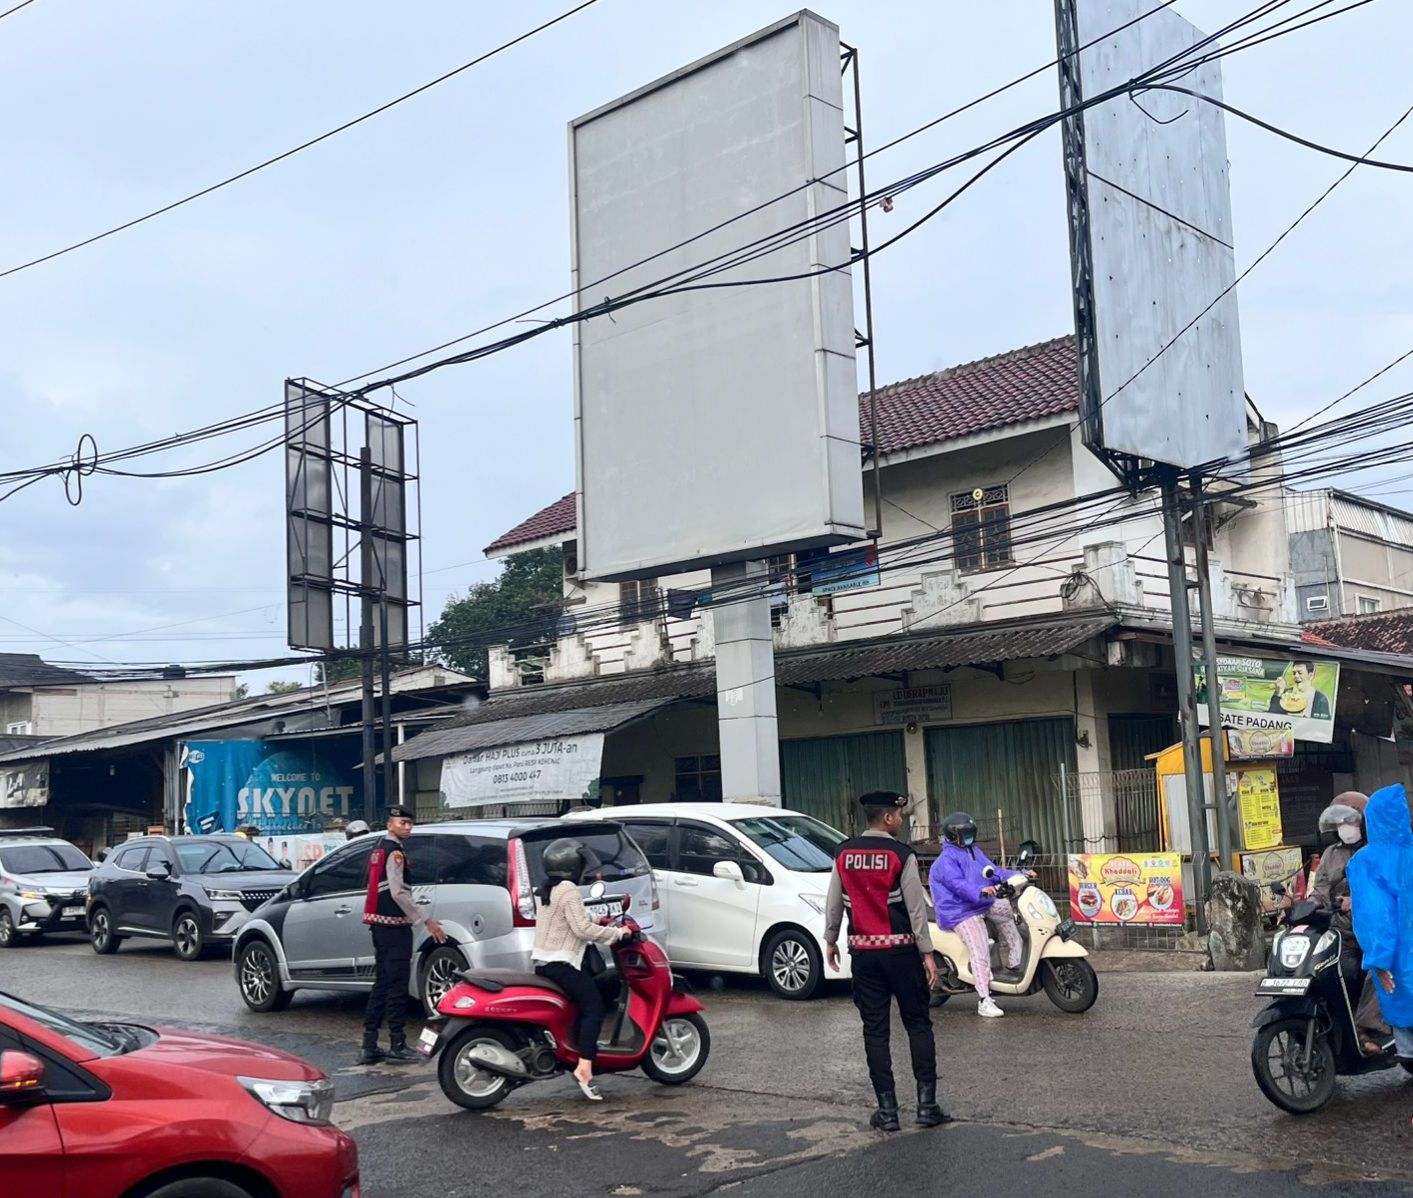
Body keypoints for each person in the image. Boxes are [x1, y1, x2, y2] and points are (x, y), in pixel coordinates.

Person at [824, 791, 948, 1132]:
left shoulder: (844, 852)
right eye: (899, 814)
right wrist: (928, 953)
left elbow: (834, 901)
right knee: (918, 1025)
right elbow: (916, 909)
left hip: (864, 956)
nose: (901, 819)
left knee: (875, 1031)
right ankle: (927, 1106)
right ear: (888, 818)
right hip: (902, 953)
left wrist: (830, 938)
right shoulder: (900, 854)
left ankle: (888, 1111)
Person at [532, 838, 631, 1101]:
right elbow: (581, 930)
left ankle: (575, 1052)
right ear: (571, 866)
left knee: (587, 999)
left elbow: (573, 919)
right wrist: (617, 933)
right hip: (561, 964)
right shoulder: (568, 889)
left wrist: (600, 919)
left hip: (546, 964)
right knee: (595, 1007)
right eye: (581, 865)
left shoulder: (550, 889)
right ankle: (585, 1068)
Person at [360, 806, 446, 1065]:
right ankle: (397, 1043)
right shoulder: (395, 852)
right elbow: (398, 893)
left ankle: (369, 1044)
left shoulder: (378, 849)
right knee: (396, 985)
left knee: (382, 983)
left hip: (378, 924)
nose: (408, 827)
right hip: (394, 926)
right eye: (403, 822)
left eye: (410, 823)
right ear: (390, 824)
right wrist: (426, 920)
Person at [1347, 784, 1413, 1109]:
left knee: (1402, 1021)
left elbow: (1377, 916)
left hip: (1398, 959)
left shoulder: (1367, 862)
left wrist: (1379, 958)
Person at [929, 812, 1027, 1019]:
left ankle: (1014, 962)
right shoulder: (945, 860)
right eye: (966, 835)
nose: (969, 838)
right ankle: (984, 999)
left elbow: (993, 871)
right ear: (953, 835)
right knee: (980, 948)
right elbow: (958, 885)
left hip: (980, 903)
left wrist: (1020, 874)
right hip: (959, 911)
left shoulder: (974, 851)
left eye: (971, 834)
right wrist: (980, 891)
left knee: (1008, 911)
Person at [1311, 798, 1389, 1052]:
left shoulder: (1376, 851)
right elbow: (1320, 891)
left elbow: (1388, 889)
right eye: (1339, 824)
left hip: (1373, 931)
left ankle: (1366, 1028)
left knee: (1379, 969)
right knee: (1323, 970)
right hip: (1340, 931)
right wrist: (1304, 907)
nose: (1344, 828)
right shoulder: (1330, 854)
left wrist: (1357, 901)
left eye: (1349, 822)